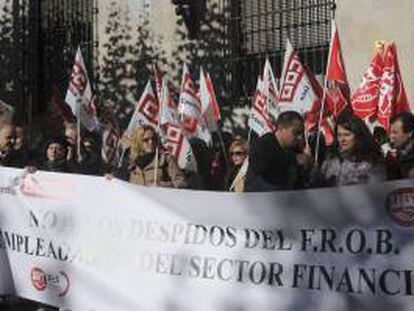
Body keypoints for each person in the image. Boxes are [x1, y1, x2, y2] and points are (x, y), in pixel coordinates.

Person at [317, 113, 385, 187]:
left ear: (358, 135)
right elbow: (318, 186)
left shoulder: (372, 161)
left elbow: (377, 189)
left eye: (347, 135)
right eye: (339, 135)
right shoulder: (331, 159)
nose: (342, 139)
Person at [244, 111, 306, 192]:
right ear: (281, 128)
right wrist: (294, 159)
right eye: (296, 132)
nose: (300, 137)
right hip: (259, 201)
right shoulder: (264, 143)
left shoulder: (294, 150)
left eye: (301, 133)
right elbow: (261, 163)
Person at [118, 125, 187, 188]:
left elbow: (181, 182)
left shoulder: (166, 159)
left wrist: (162, 185)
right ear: (138, 142)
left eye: (153, 139)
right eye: (146, 140)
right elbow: (119, 182)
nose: (151, 142)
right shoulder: (130, 162)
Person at [387, 112, 414, 179]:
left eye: (395, 132)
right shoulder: (399, 151)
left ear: (409, 133)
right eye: (390, 132)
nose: (391, 136)